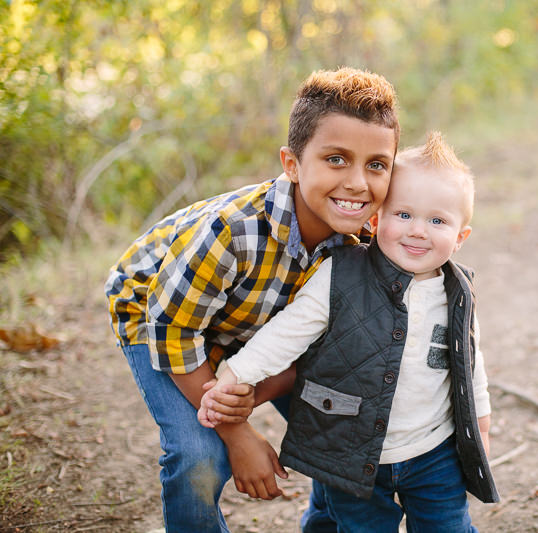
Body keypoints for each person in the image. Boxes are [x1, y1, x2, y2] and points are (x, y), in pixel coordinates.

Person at [104, 67, 400, 533]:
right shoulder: (233, 231)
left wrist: (251, 395)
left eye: (377, 165)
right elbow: (174, 330)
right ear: (292, 164)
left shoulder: (365, 244)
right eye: (336, 159)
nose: (358, 183)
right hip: (160, 315)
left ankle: (325, 524)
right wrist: (236, 431)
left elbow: (325, 352)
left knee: (342, 420)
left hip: (254, 326)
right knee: (198, 454)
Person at [199, 132, 500, 532]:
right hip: (350, 450)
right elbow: (287, 332)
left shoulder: (458, 294)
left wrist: (479, 429)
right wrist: (235, 376)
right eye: (404, 215)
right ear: (376, 220)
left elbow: (469, 368)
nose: (418, 231)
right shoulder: (341, 274)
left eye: (438, 221)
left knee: (448, 527)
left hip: (434, 452)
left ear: (460, 237)